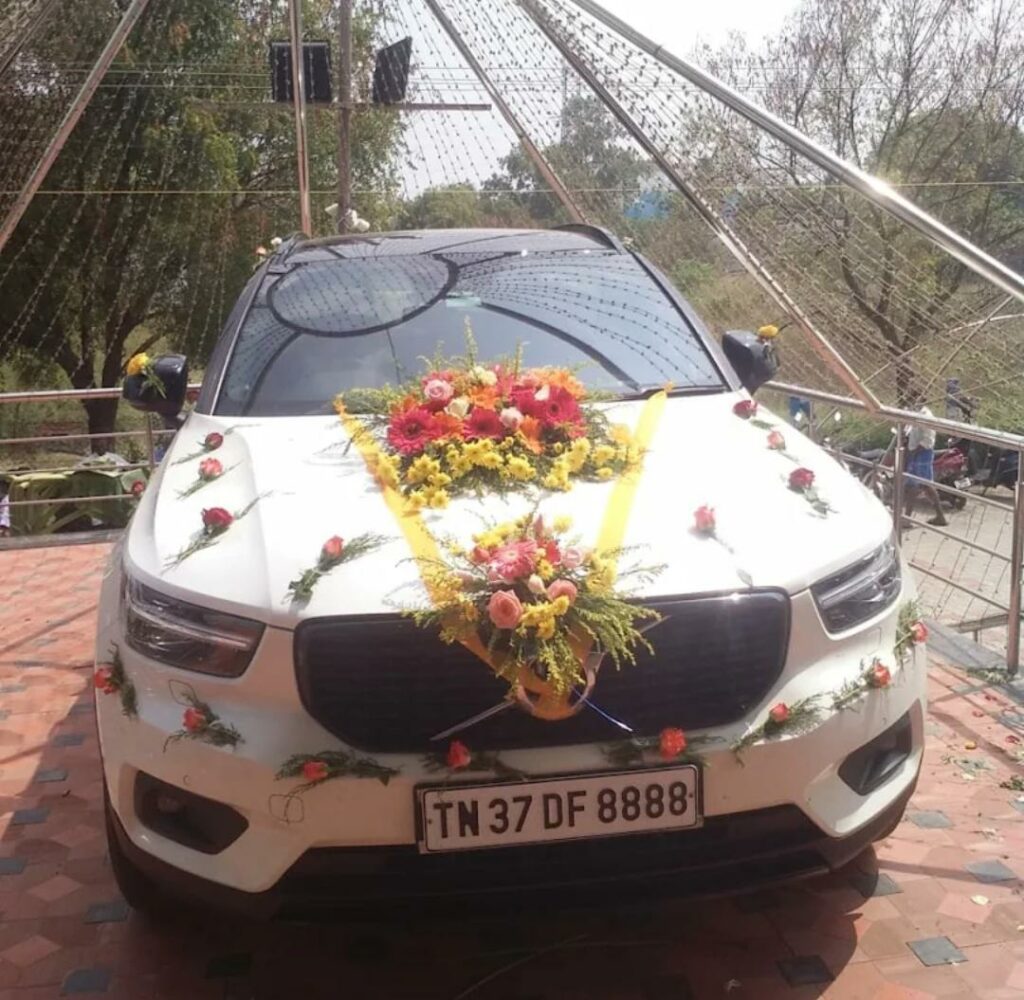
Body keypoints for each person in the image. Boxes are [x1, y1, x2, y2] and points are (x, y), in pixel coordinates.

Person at [904, 395, 948, 527]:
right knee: (917, 486)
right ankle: (908, 518)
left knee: (921, 485)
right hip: (914, 452)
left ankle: (908, 518)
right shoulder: (914, 414)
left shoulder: (926, 416)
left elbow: (928, 440)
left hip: (922, 453)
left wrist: (914, 452)